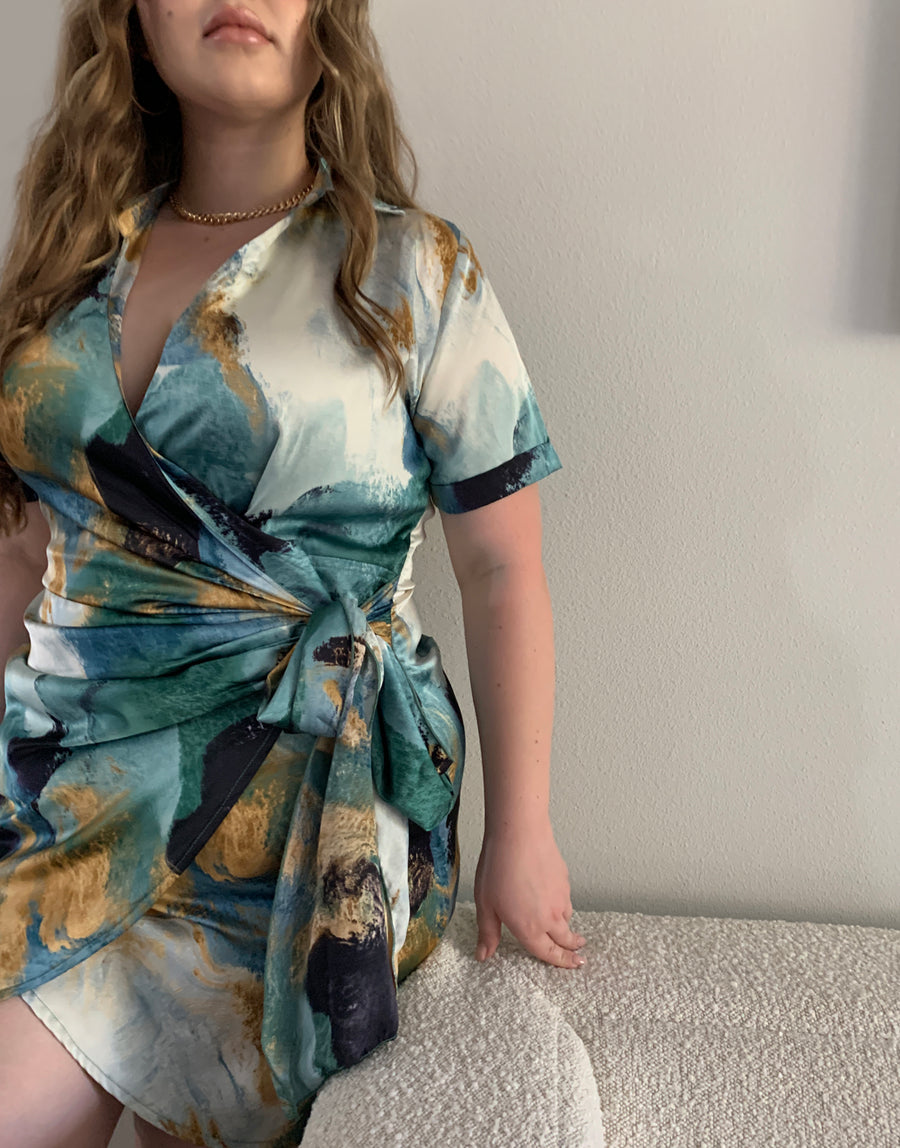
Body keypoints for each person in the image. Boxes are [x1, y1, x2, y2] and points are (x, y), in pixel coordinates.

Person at [0, 1, 586, 1145]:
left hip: (313, 802)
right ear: (132, 19)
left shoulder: (413, 268)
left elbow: (502, 567)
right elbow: (24, 553)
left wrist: (523, 830)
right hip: (69, 780)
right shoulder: (65, 273)